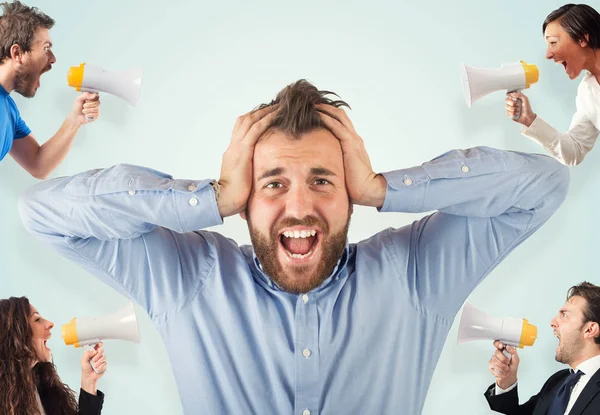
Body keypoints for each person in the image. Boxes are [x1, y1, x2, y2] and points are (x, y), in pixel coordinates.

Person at [19, 79, 569, 414]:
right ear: (245, 203)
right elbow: (42, 213)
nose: (300, 206)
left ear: (350, 193)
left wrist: (385, 187)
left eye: (324, 181)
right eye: (273, 183)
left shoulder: (416, 273)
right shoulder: (190, 278)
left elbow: (546, 184)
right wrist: (207, 198)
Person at [0, 1, 100, 179]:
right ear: (17, 54)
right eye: (46, 49)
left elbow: (38, 164)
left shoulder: (9, 110)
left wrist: (74, 120)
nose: (53, 59)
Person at [505, 4, 600, 166]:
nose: (548, 54)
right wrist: (529, 119)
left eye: (553, 42)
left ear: (582, 39)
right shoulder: (587, 92)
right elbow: (574, 150)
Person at [484, 282, 600, 414]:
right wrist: (506, 381)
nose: (552, 322)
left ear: (590, 330)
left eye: (564, 315)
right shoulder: (558, 381)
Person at [0, 296, 107, 415]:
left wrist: (89, 381)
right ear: (16, 335)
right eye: (37, 319)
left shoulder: (42, 387)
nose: (50, 323)